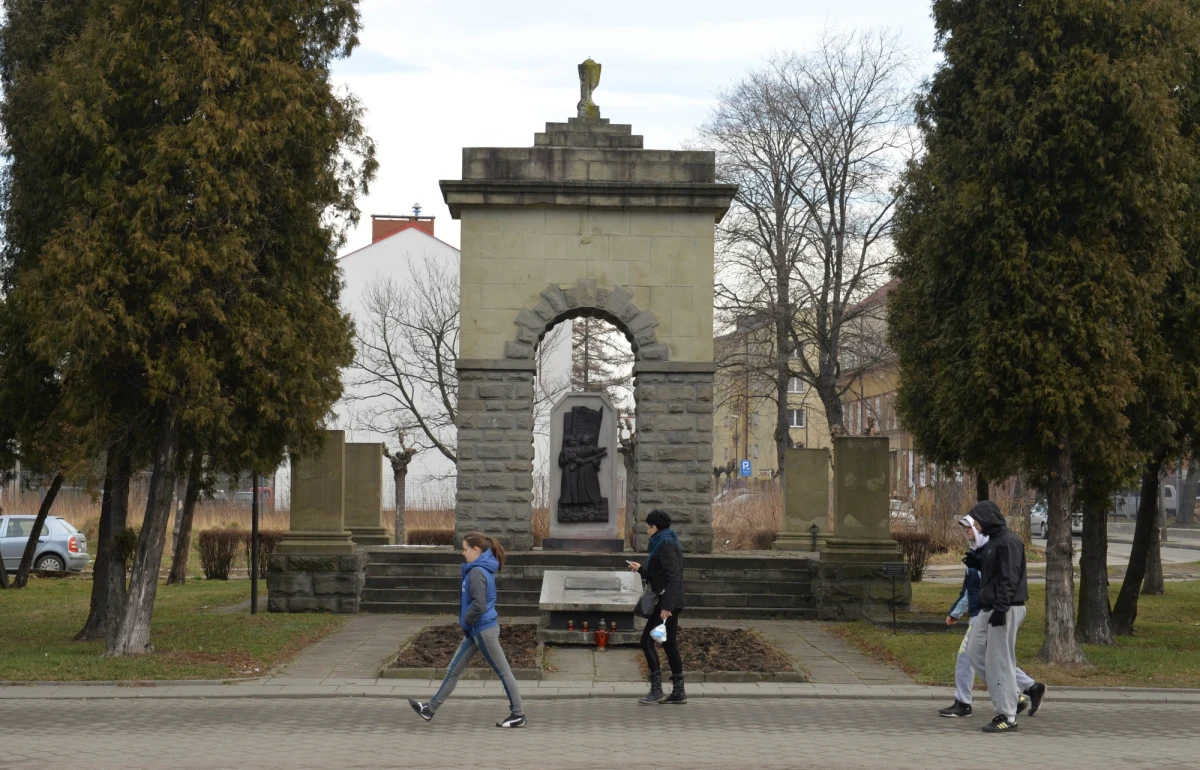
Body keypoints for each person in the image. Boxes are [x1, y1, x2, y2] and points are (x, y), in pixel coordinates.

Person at [408, 532, 526, 728]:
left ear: (476, 550)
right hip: (477, 630)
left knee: (504, 673)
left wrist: (466, 621)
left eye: (465, 549)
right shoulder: (478, 569)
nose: (463, 553)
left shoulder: (477, 572)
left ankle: (518, 714)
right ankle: (429, 709)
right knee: (453, 670)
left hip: (482, 629)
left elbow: (479, 605)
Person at [938, 514, 1046, 719]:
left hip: (988, 613)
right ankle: (1028, 688)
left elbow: (1002, 582)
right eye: (967, 529)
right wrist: (956, 612)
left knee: (974, 657)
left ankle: (967, 702)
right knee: (988, 658)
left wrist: (998, 609)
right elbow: (968, 590)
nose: (969, 532)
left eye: (971, 527)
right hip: (981, 613)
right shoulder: (977, 553)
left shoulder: (996, 548)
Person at [962, 501, 1030, 733]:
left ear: (987, 519)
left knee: (999, 660)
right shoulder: (994, 541)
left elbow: (1009, 577)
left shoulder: (1009, 541)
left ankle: (1007, 715)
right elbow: (995, 571)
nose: (977, 527)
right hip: (989, 607)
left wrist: (1001, 609)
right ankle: (1012, 696)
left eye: (978, 522)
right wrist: (978, 562)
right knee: (974, 652)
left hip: (1005, 607)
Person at [627, 509, 686, 705]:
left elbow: (673, 577)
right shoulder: (663, 541)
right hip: (669, 602)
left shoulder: (665, 545)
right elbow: (660, 573)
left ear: (655, 527)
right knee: (669, 644)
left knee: (646, 642)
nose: (646, 530)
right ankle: (678, 692)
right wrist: (641, 569)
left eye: (648, 527)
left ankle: (656, 689)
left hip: (666, 604)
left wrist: (667, 606)